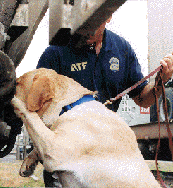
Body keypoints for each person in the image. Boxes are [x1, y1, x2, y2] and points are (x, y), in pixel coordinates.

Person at [37, 17, 173, 187]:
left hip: (105, 155)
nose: (87, 28)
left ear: (108, 15)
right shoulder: (56, 51)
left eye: (93, 21)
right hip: (67, 156)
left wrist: (161, 81)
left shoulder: (121, 49)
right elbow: (37, 104)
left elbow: (143, 99)